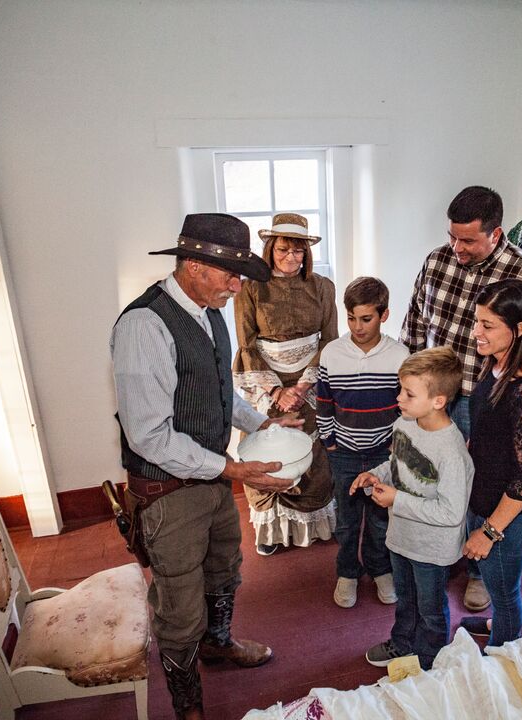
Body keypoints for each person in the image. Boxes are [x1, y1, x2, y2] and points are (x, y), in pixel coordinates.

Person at [111, 213, 304, 720]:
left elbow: (222, 395)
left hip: (214, 475)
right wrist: (231, 470)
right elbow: (148, 436)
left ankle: (218, 644)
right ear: (193, 264)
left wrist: (264, 425)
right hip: (168, 492)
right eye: (230, 273)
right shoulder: (144, 326)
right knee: (178, 602)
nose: (238, 285)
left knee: (224, 567)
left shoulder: (210, 310)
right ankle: (187, 705)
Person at [400, 185, 522, 612]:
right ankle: (439, 554)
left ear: (495, 233)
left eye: (468, 240)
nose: (456, 247)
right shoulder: (436, 261)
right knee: (433, 481)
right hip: (435, 401)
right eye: (452, 236)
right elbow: (414, 328)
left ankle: (478, 570)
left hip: (484, 404)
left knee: (479, 488)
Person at [350, 347, 474, 670]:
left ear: (438, 401)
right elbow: (397, 465)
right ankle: (402, 643)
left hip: (432, 548)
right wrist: (374, 476)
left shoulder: (452, 452)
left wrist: (397, 500)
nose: (399, 400)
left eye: (408, 393)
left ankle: (430, 661)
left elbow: (451, 513)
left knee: (431, 609)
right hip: (401, 536)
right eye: (400, 390)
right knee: (406, 600)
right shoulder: (405, 424)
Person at [457, 279, 522, 647]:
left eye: (487, 325)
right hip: (486, 498)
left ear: (518, 330)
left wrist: (489, 532)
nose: (476, 333)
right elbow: (486, 433)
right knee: (498, 583)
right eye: (476, 322)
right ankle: (498, 624)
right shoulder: (494, 366)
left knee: (504, 592)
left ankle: (503, 654)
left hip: (511, 516)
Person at [233, 213, 338, 555]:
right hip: (265, 381)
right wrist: (276, 390)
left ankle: (311, 521)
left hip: (308, 380)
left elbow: (328, 340)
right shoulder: (250, 288)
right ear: (270, 249)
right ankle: (271, 531)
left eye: (298, 251)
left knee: (310, 448)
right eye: (283, 250)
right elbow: (247, 343)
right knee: (266, 445)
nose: (291, 258)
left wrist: (303, 386)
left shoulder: (322, 287)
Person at [316, 277, 409, 608]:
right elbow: (324, 401)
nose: (357, 326)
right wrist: (329, 441)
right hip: (343, 453)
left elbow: (405, 408)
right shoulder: (332, 353)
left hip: (383, 454)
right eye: (351, 318)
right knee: (347, 520)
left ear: (384, 315)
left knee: (381, 519)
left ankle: (380, 568)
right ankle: (348, 573)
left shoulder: (400, 355)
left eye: (366, 318)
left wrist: (395, 447)